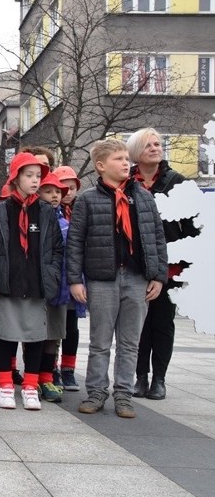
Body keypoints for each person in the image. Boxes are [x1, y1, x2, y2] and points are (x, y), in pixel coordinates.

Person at [68, 139, 167, 419]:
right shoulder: (87, 199)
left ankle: (124, 394)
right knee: (100, 340)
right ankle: (97, 391)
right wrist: (75, 279)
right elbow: (75, 241)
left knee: (130, 341)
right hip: (103, 278)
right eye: (119, 159)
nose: (126, 163)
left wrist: (158, 276)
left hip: (137, 278)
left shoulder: (144, 197)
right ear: (101, 166)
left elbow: (157, 238)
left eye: (127, 158)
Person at [0, 152, 62, 411]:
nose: (35, 181)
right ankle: (5, 383)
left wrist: (51, 276)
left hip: (37, 285)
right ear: (16, 178)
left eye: (38, 176)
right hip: (10, 284)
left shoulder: (47, 212)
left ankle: (31, 385)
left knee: (36, 335)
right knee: (6, 335)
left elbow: (56, 248)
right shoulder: (1, 210)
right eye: (29, 175)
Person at [127, 128, 200, 401]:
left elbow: (193, 227)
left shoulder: (177, 182)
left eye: (158, 144)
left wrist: (190, 262)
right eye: (149, 145)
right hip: (135, 265)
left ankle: (159, 379)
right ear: (136, 152)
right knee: (138, 324)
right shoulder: (127, 182)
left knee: (162, 322)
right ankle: (140, 377)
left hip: (170, 265)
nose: (156, 148)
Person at [35, 172, 72, 403]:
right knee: (35, 334)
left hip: (60, 287)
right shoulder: (35, 219)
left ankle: (47, 377)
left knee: (54, 336)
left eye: (58, 191)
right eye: (49, 191)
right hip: (39, 285)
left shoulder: (65, 222)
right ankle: (33, 376)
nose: (55, 195)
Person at [54, 165, 84, 390]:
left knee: (71, 327)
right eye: (63, 187)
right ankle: (52, 368)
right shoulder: (50, 211)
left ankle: (68, 369)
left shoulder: (82, 209)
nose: (67, 192)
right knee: (55, 327)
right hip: (57, 277)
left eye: (72, 188)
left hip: (77, 275)